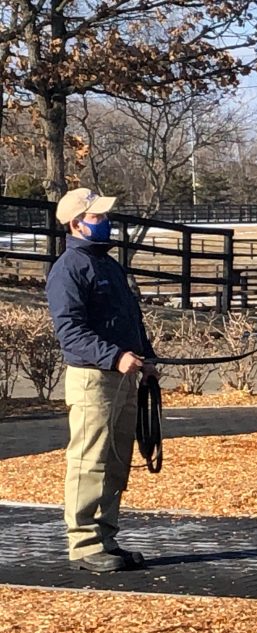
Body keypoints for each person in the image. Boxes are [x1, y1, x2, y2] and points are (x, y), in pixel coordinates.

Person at [45, 187, 159, 573]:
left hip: (124, 376)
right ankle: (83, 543)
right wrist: (115, 356)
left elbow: (131, 318)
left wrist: (147, 356)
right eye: (97, 217)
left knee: (115, 460)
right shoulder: (68, 270)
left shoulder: (108, 265)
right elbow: (71, 332)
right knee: (89, 461)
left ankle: (105, 537)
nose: (105, 221)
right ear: (77, 224)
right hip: (94, 379)